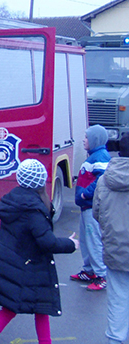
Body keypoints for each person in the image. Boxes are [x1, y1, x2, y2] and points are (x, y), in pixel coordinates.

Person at [0, 159, 79, 344]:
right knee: (41, 307)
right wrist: (70, 244)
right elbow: (47, 242)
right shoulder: (33, 209)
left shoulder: (13, 199)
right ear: (40, 182)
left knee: (12, 306)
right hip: (30, 266)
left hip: (14, 262)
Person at [93, 133, 129, 344]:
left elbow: (97, 212)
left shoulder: (105, 180)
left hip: (116, 248)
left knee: (118, 299)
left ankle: (115, 339)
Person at [71, 124, 110, 291]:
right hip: (85, 207)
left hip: (90, 207)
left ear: (95, 140)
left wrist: (86, 194)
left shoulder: (100, 157)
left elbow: (102, 179)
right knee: (86, 240)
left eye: (86, 137)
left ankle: (101, 275)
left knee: (93, 240)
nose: (84, 140)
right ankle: (89, 270)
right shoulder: (94, 156)